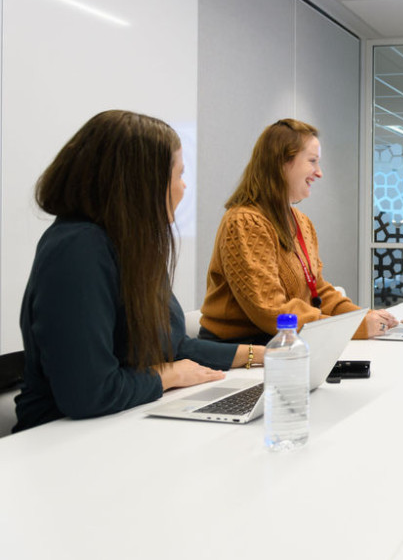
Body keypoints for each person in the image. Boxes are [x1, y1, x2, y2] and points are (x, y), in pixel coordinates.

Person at [14, 110, 244, 432]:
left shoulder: (131, 245)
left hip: (118, 425)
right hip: (58, 442)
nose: (184, 187)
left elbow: (172, 347)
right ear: (141, 183)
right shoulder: (79, 248)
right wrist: (170, 375)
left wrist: (257, 354)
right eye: (178, 175)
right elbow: (89, 393)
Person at [200, 119, 397, 343]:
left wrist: (363, 316)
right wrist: (354, 327)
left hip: (287, 343)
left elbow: (318, 291)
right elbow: (271, 311)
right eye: (312, 161)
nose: (319, 172)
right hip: (244, 352)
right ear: (282, 163)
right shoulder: (245, 222)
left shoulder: (301, 222)